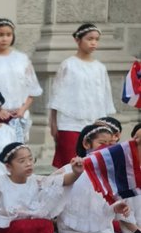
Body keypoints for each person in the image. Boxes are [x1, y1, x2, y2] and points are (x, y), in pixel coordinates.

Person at [56, 123, 128, 233]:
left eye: (111, 144)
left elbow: (112, 203)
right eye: (101, 143)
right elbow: (49, 192)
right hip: (73, 230)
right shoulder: (68, 169)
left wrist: (118, 207)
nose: (107, 148)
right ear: (86, 144)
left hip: (101, 230)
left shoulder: (113, 173)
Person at [48, 23, 116, 167]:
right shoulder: (68, 65)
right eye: (89, 38)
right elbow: (56, 96)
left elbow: (105, 96)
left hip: (94, 123)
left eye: (96, 39)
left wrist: (104, 123)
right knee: (69, 164)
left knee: (92, 164)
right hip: (69, 123)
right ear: (78, 40)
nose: (93, 42)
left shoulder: (100, 68)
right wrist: (53, 123)